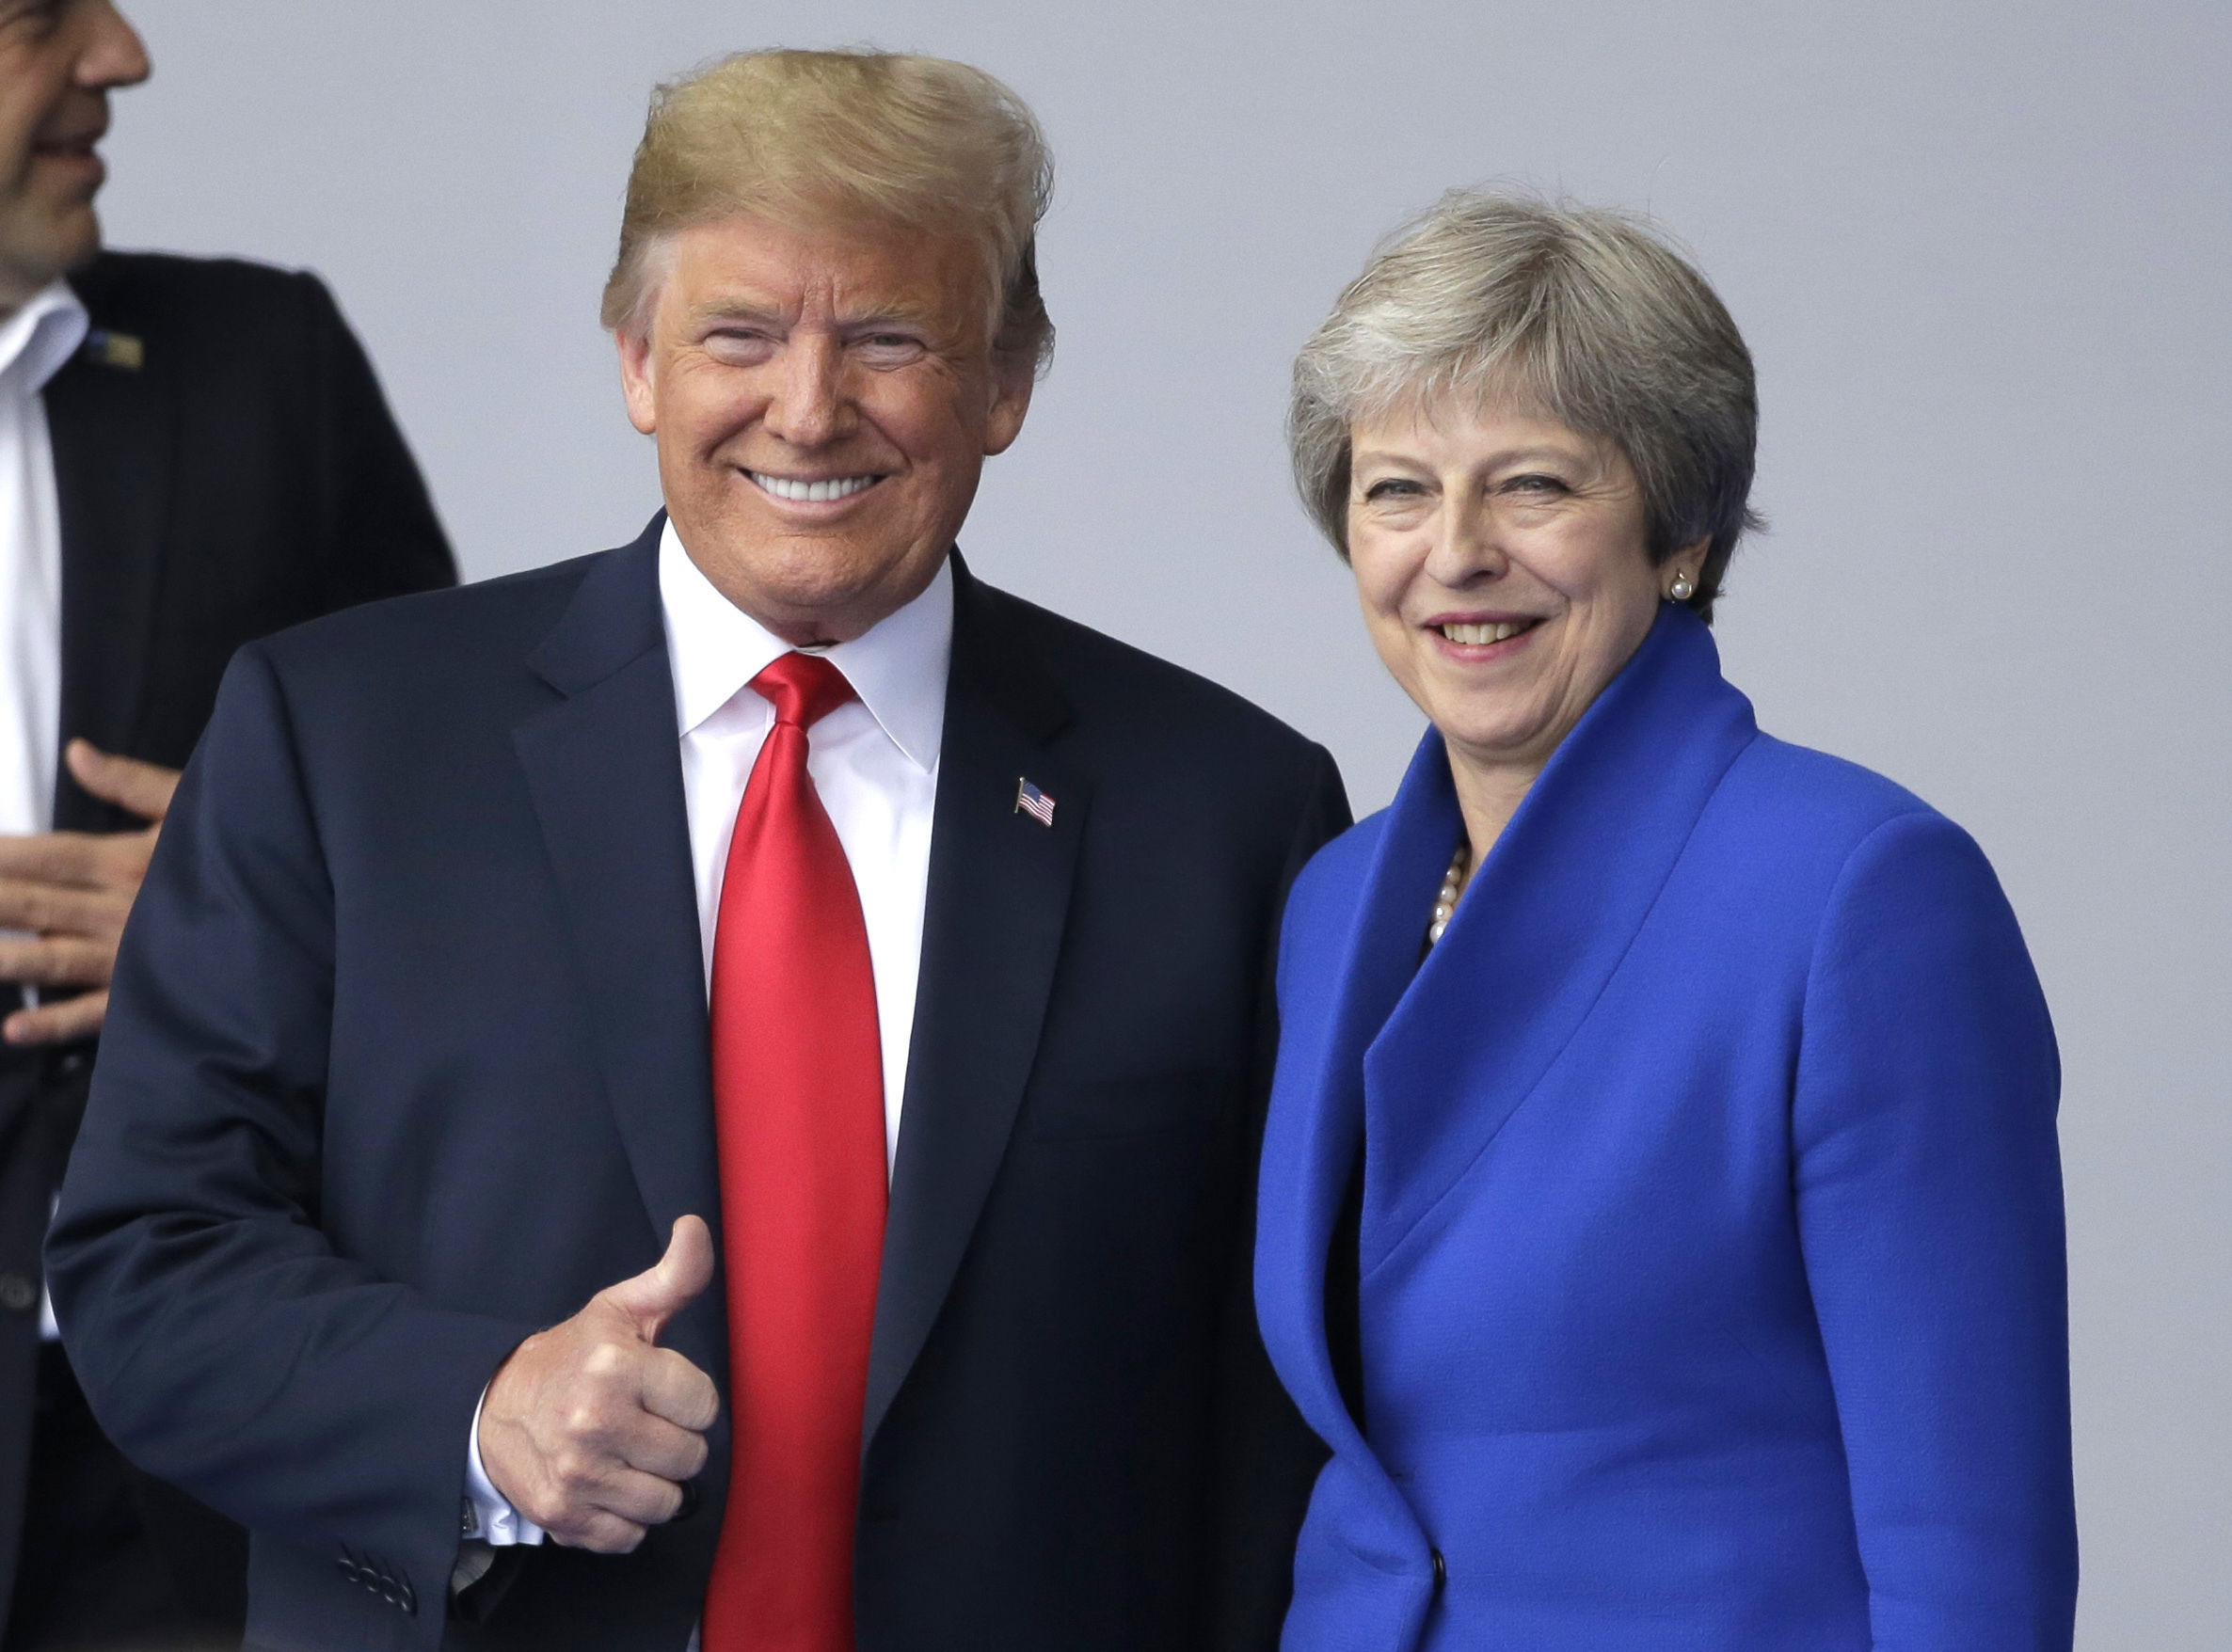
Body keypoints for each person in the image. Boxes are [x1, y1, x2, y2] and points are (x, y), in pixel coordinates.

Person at [49, 48, 1346, 1651]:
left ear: (1006, 381)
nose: (809, 410)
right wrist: (478, 1410)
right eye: (741, 334)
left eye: (890, 339)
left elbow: (1273, 1414)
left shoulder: (1231, 812)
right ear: (638, 361)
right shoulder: (339, 739)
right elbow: (148, 1262)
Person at [1252, 191, 2077, 1650]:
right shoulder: (1334, 902)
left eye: (1534, 486)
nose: (1454, 554)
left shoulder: (1859, 896)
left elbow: (1970, 1555)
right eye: (1396, 490)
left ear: (1682, 533)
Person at [0, 1, 454, 1645]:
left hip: (189, 1467)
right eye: (38, 14)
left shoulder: (269, 365)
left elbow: (493, 864)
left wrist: (243, 918)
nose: (121, 55)